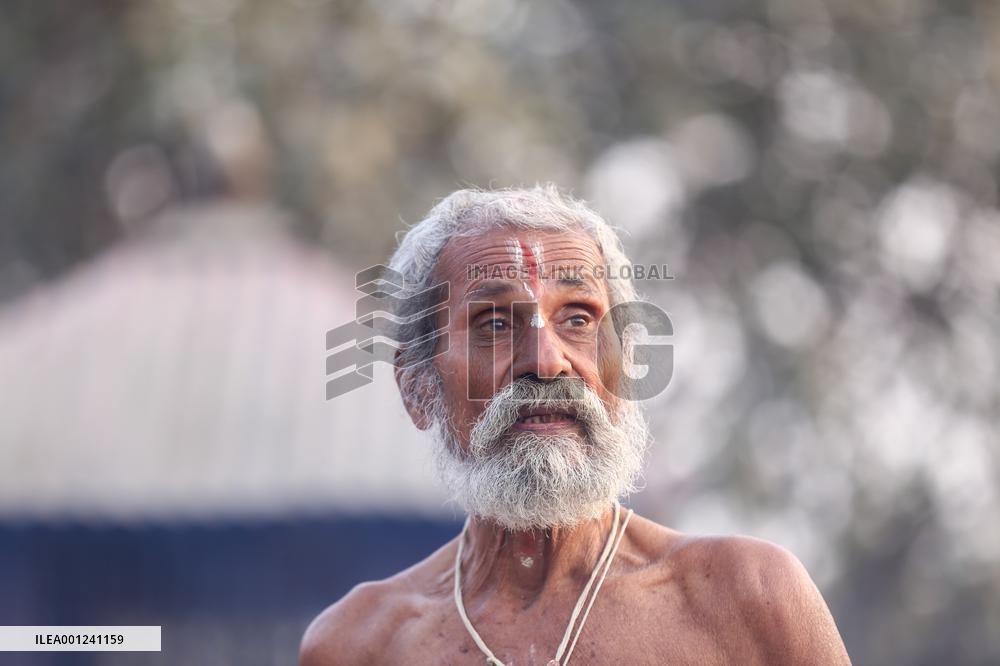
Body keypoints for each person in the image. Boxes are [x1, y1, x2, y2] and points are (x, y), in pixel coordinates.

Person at [301, 185, 851, 665]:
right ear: (419, 387)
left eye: (579, 319)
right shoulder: (358, 647)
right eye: (494, 323)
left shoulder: (744, 598)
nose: (546, 361)